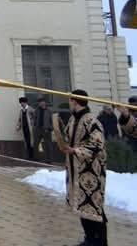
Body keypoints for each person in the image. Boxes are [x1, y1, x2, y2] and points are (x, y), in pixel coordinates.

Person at [60, 90, 108, 246]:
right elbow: (68, 137)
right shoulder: (73, 119)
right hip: (76, 171)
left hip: (90, 172)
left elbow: (97, 144)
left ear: (75, 101)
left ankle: (99, 242)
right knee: (81, 205)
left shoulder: (92, 120)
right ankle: (89, 238)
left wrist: (76, 151)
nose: (69, 103)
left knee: (93, 206)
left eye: (70, 100)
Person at [33, 97, 53, 163]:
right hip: (38, 129)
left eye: (41, 102)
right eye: (39, 102)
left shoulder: (49, 110)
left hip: (46, 129)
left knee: (48, 145)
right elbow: (34, 119)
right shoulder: (37, 110)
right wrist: (35, 126)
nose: (40, 103)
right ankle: (36, 158)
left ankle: (49, 159)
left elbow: (52, 121)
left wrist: (50, 128)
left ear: (44, 102)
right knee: (36, 143)